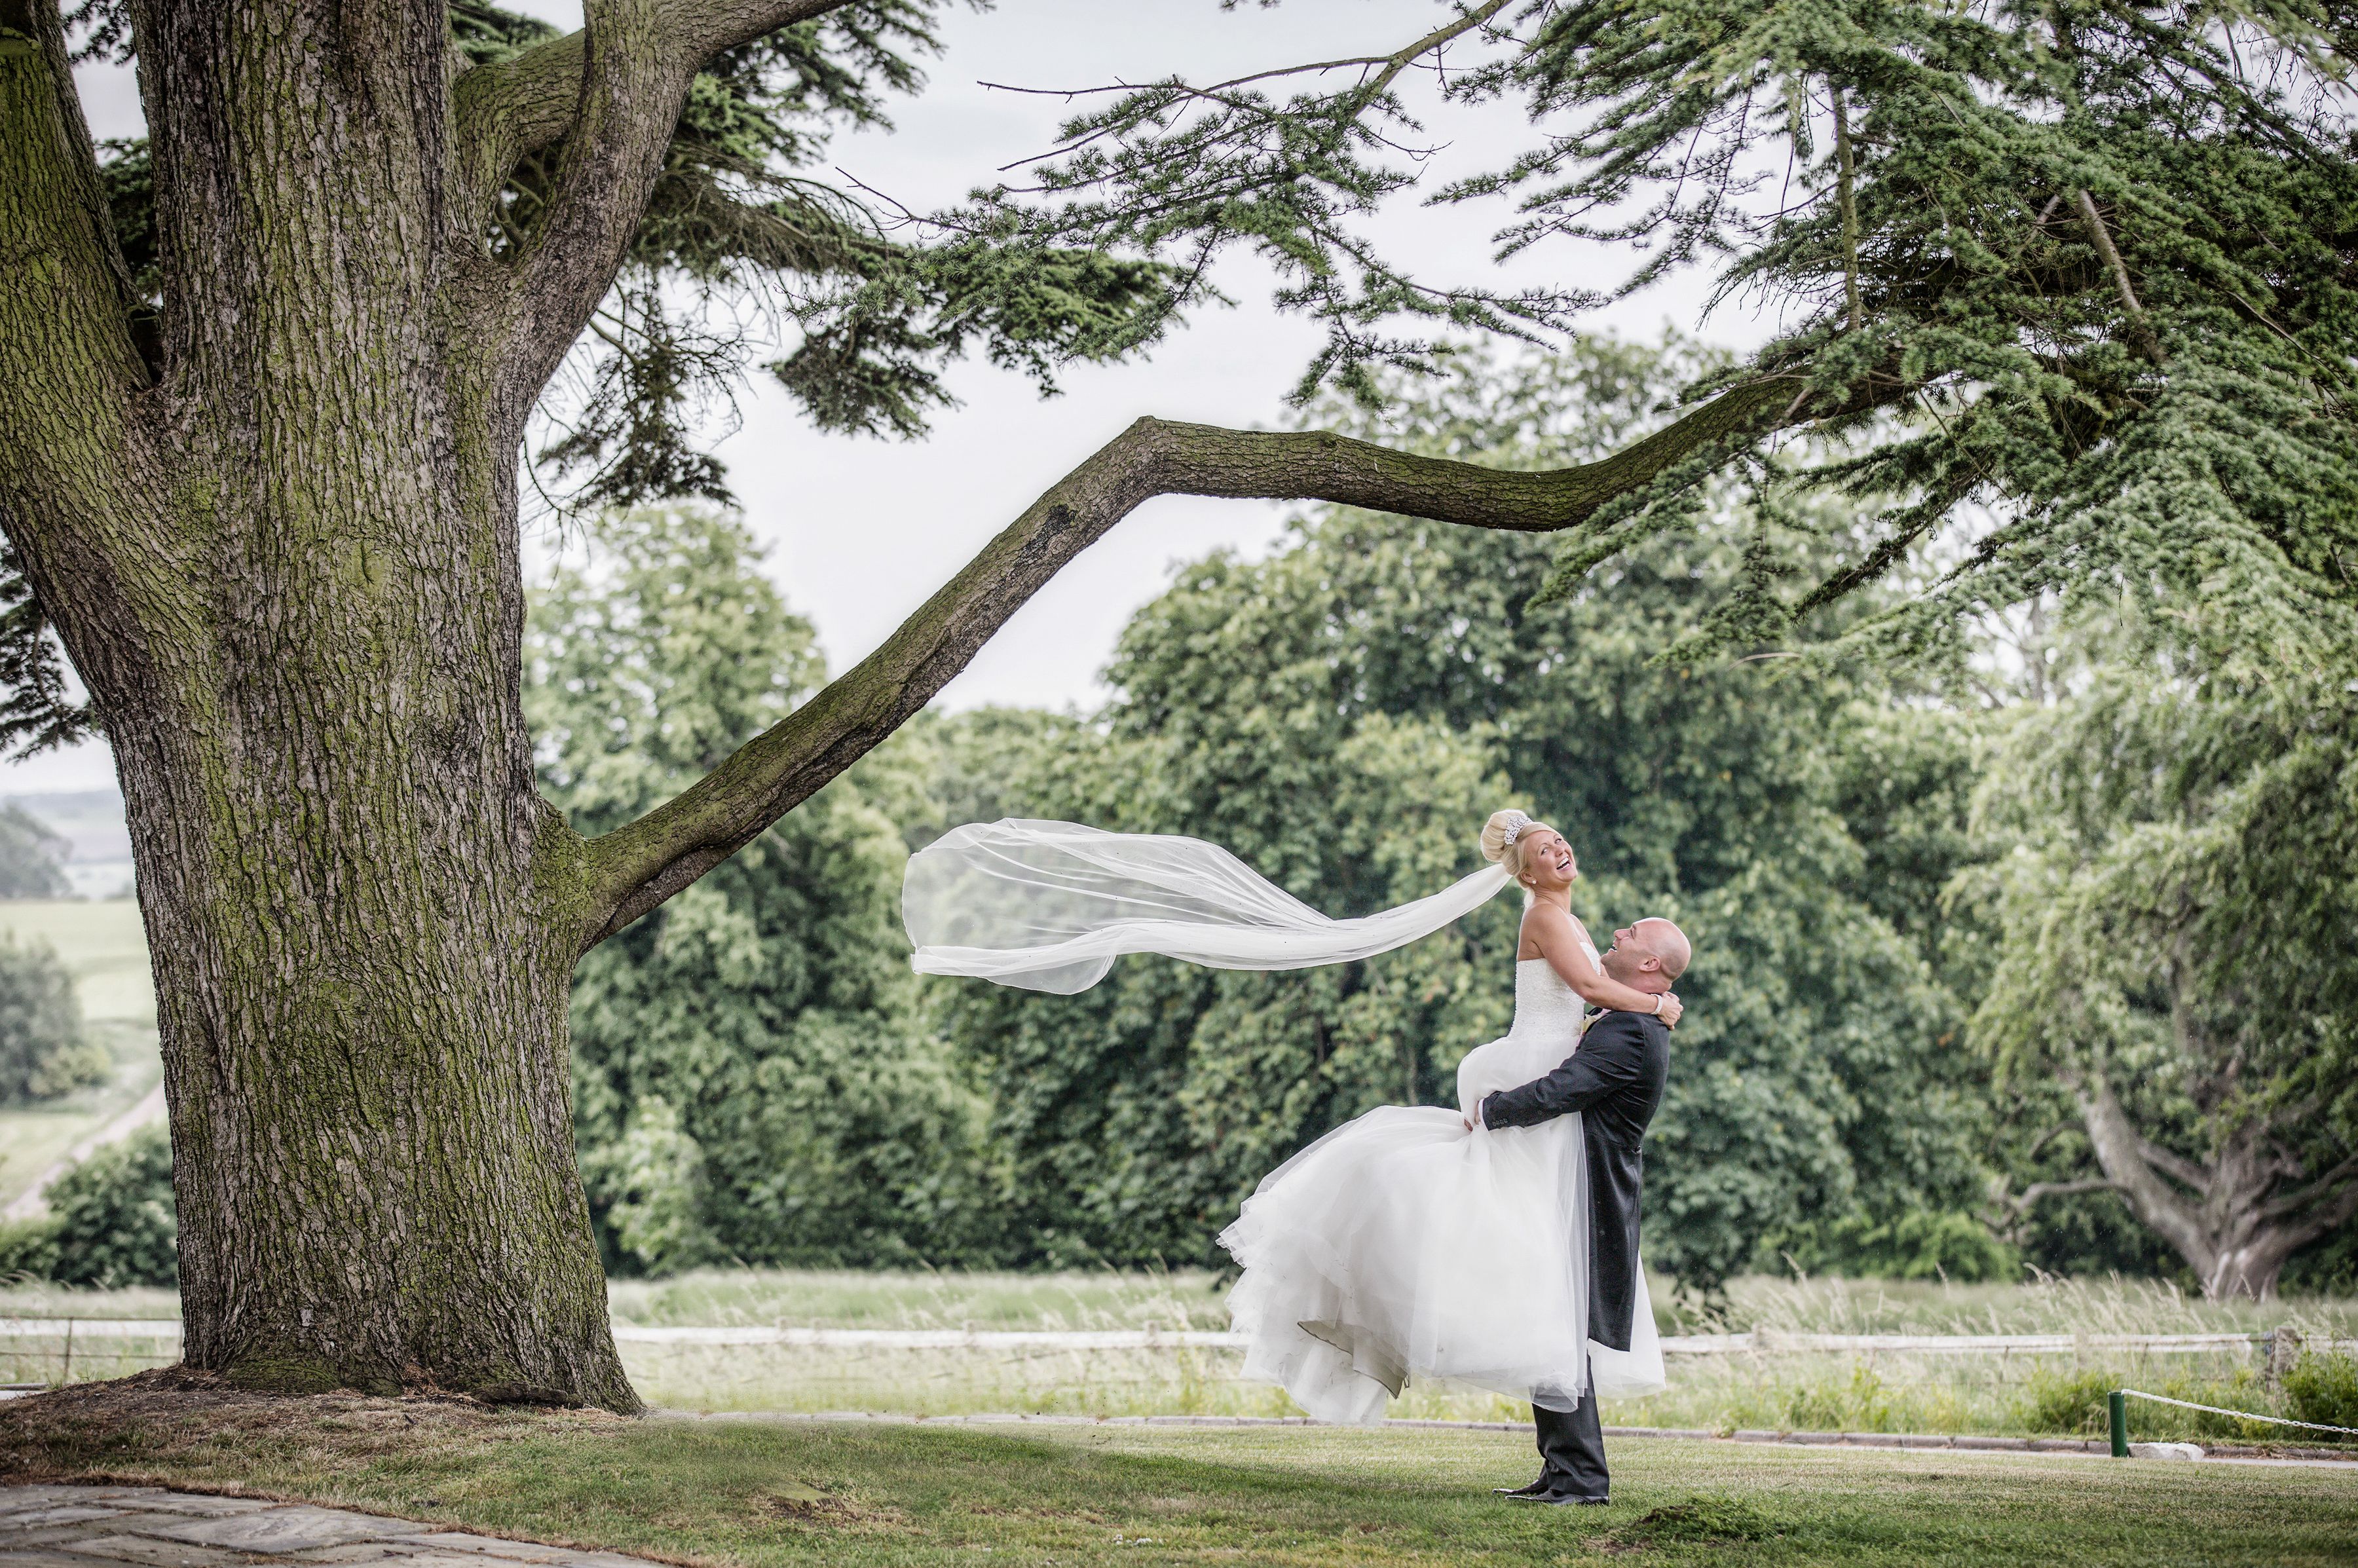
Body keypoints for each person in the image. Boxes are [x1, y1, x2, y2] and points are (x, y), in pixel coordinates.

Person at [898, 808, 1687, 1495]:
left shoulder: (1582, 938)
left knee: (1533, 1272)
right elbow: (1592, 990)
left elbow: (1596, 1004)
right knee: (1501, 1246)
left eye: (1562, 844)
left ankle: (1571, 1468)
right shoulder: (1553, 926)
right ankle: (1568, 1466)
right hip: (1526, 1092)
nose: (1562, 853)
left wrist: (1638, 1005)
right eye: (1548, 848)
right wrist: (1657, 1000)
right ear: (1523, 870)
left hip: (1536, 1103)